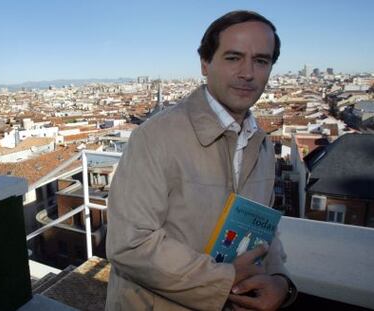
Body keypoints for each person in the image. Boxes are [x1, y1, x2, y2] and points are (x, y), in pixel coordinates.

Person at [105, 10, 296, 311]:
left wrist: (281, 283)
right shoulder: (155, 137)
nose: (248, 72)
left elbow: (264, 231)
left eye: (261, 60)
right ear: (205, 64)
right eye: (233, 58)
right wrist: (224, 281)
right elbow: (131, 245)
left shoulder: (261, 144)